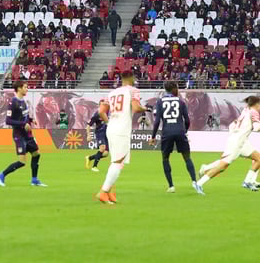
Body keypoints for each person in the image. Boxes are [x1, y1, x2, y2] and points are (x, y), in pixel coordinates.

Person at [197, 95, 260, 192]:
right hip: (237, 142)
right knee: (223, 166)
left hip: (241, 142)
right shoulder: (254, 112)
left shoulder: (246, 110)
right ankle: (200, 182)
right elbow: (256, 127)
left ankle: (249, 181)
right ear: (256, 104)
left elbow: (236, 125)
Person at [96, 70, 144, 204]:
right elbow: (136, 107)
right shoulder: (133, 91)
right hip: (122, 129)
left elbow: (101, 111)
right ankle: (103, 192)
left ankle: (110, 191)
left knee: (115, 161)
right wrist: (145, 109)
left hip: (111, 127)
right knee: (118, 162)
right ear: (132, 78)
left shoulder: (112, 92)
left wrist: (109, 122)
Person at [150, 80, 200, 194]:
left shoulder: (160, 101)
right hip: (180, 131)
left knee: (165, 158)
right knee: (187, 157)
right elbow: (187, 120)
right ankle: (194, 182)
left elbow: (157, 121)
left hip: (167, 133)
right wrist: (185, 131)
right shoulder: (181, 102)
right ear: (174, 89)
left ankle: (171, 186)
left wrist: (153, 136)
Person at [0, 80, 46, 187]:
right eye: (25, 87)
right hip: (19, 136)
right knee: (22, 162)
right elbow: (8, 121)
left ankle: (34, 180)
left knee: (36, 154)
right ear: (19, 88)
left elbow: (24, 116)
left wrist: (31, 120)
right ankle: (1, 175)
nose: (27, 89)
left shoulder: (23, 102)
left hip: (28, 135)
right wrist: (24, 124)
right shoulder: (13, 102)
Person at [84, 99, 109, 172]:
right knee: (102, 148)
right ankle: (94, 167)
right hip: (99, 133)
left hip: (107, 134)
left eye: (104, 105)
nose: (103, 106)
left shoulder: (108, 113)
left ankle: (90, 158)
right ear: (99, 106)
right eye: (102, 105)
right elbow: (88, 125)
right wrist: (88, 135)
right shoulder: (96, 114)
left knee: (105, 154)